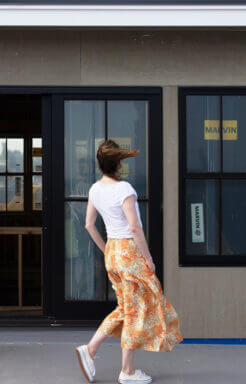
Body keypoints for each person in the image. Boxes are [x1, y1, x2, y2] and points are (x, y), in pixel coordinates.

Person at [75, 140, 182, 384]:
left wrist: (106, 251)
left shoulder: (95, 189)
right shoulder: (124, 189)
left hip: (113, 250)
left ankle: (91, 349)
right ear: (118, 164)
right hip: (129, 253)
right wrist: (149, 258)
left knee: (126, 308)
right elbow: (134, 227)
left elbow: (89, 225)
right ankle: (127, 370)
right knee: (136, 310)